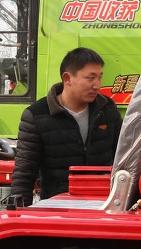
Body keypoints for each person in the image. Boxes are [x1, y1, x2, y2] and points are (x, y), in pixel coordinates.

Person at [10, 47, 122, 202]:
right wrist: (19, 215)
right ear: (67, 78)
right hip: (58, 208)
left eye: (99, 78)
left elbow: (123, 156)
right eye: (90, 78)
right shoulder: (37, 115)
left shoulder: (107, 109)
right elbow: (24, 173)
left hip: (103, 204)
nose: (97, 85)